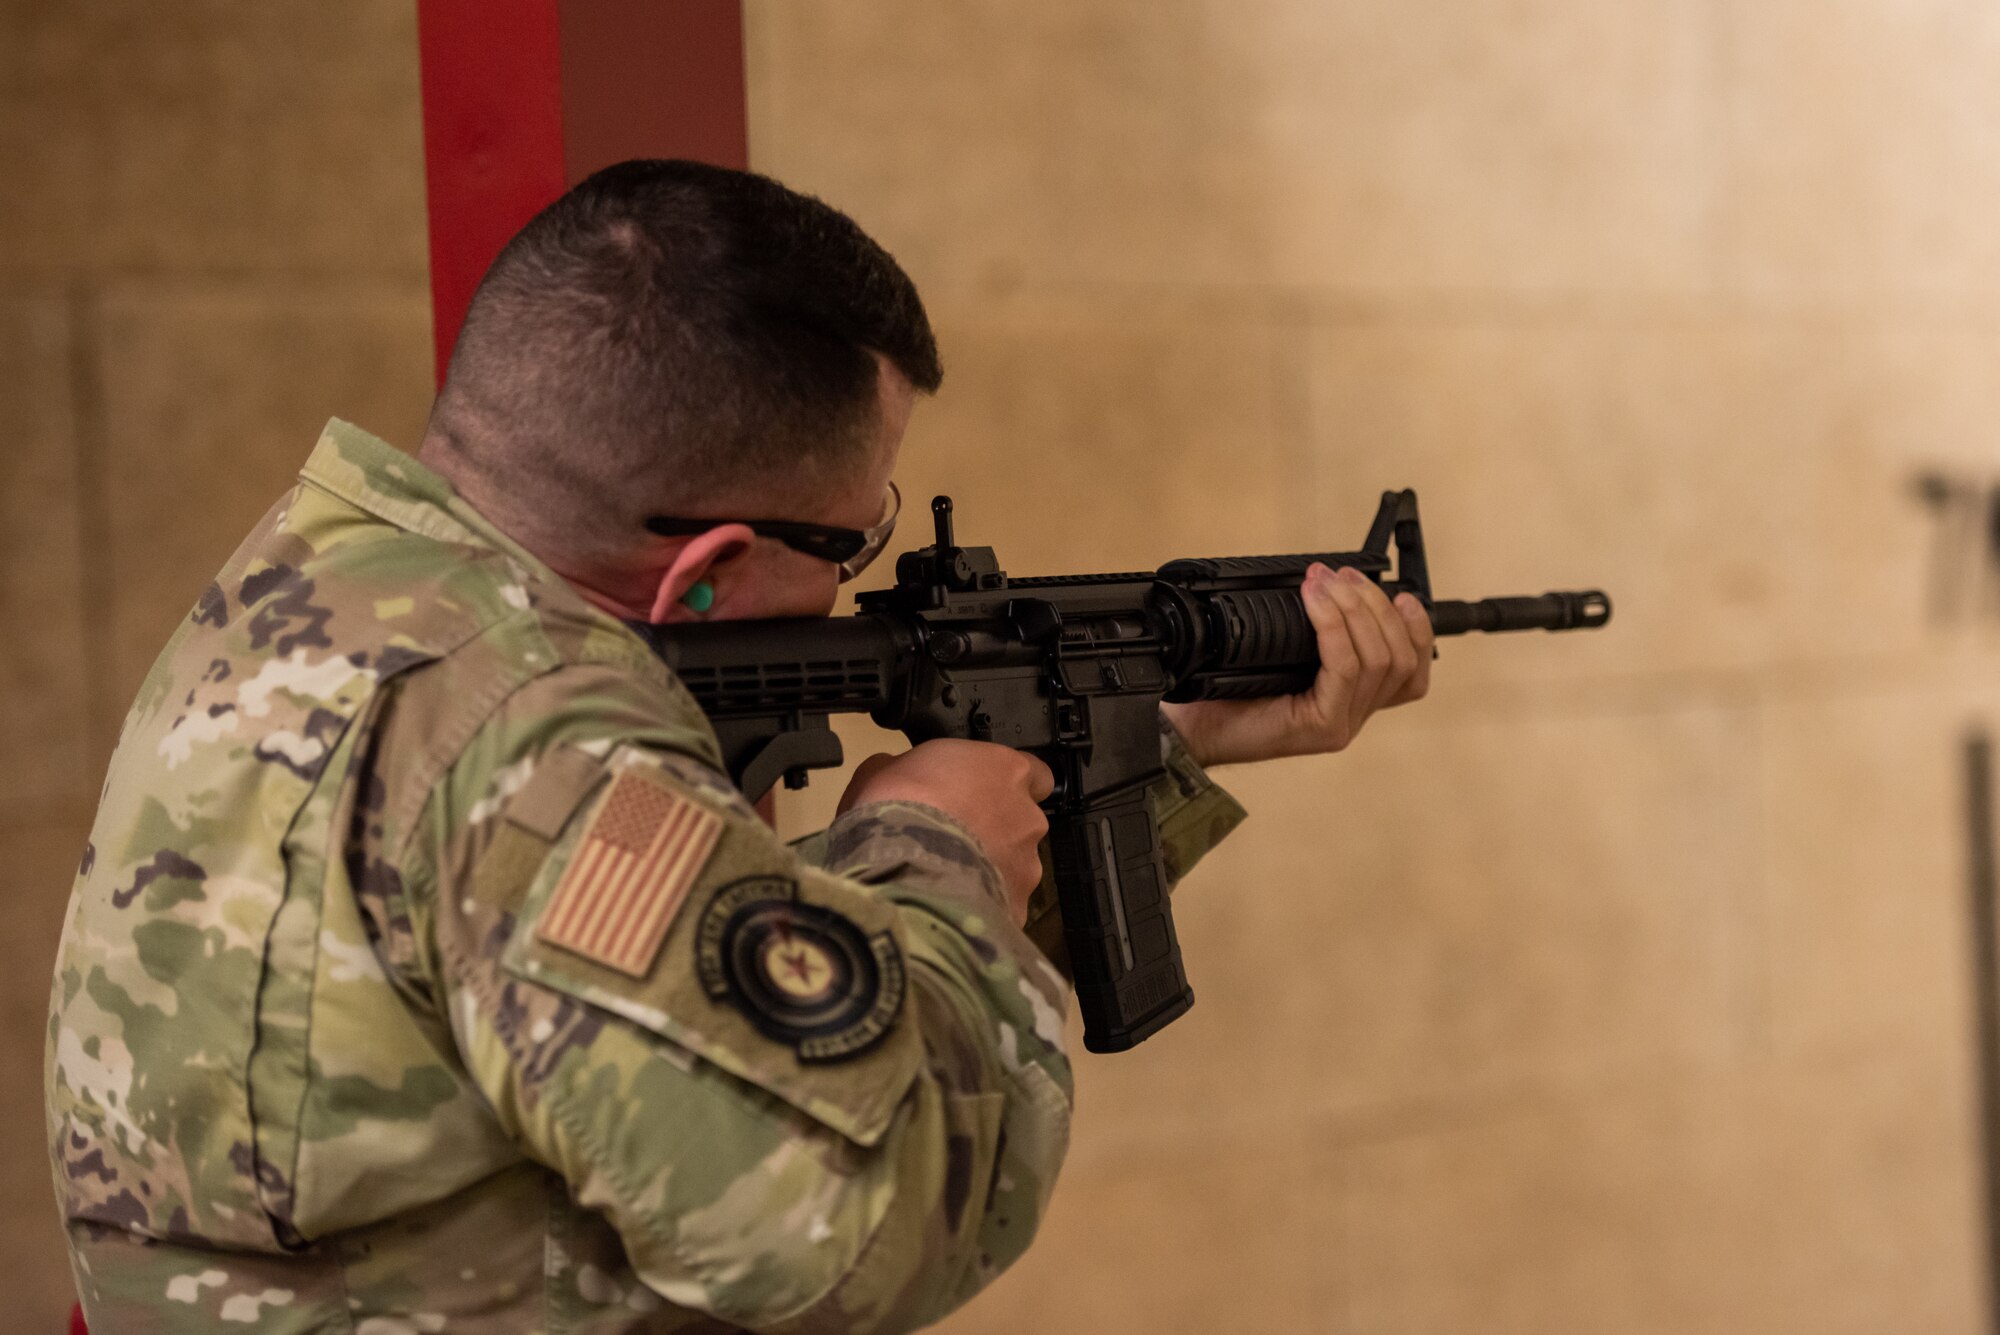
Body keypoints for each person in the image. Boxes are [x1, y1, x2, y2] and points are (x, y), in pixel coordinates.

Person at [46, 159, 1434, 1333]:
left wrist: (1155, 748)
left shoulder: (329, 588)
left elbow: (632, 990)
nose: (861, 579)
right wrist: (930, 849)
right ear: (707, 571)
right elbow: (851, 1219)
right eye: (856, 540)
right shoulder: (539, 739)